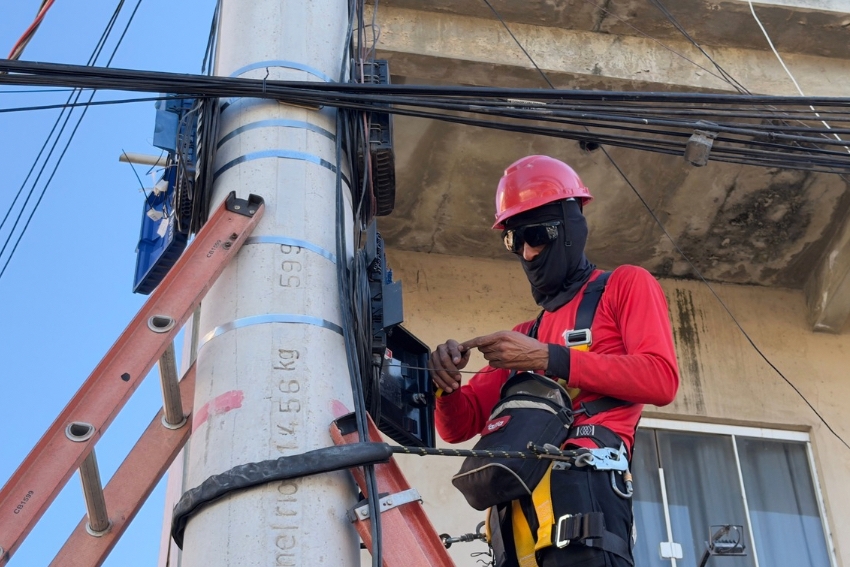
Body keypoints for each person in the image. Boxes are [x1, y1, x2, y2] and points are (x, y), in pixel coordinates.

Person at [429, 155, 679, 567]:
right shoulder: (525, 333)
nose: (526, 253)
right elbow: (458, 426)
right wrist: (446, 382)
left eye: (536, 236)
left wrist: (548, 357)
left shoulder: (624, 286)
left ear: (569, 227)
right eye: (514, 240)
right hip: (515, 522)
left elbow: (661, 378)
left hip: (585, 509)